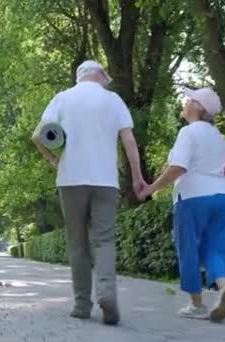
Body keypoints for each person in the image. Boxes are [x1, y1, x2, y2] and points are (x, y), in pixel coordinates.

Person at [31, 60, 144, 325]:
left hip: (71, 179)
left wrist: (53, 159)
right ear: (100, 77)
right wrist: (138, 177)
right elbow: (128, 140)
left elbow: (37, 135)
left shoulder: (63, 98)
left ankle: (82, 305)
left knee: (77, 243)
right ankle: (107, 292)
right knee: (104, 240)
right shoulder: (113, 100)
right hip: (105, 180)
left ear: (79, 77)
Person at [137, 87, 225, 322]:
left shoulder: (188, 133)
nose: (185, 102)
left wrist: (151, 188)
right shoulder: (218, 136)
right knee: (214, 248)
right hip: (223, 197)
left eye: (189, 99)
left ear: (198, 107)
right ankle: (223, 288)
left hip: (193, 198)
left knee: (188, 248)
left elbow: (178, 167)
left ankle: (197, 305)